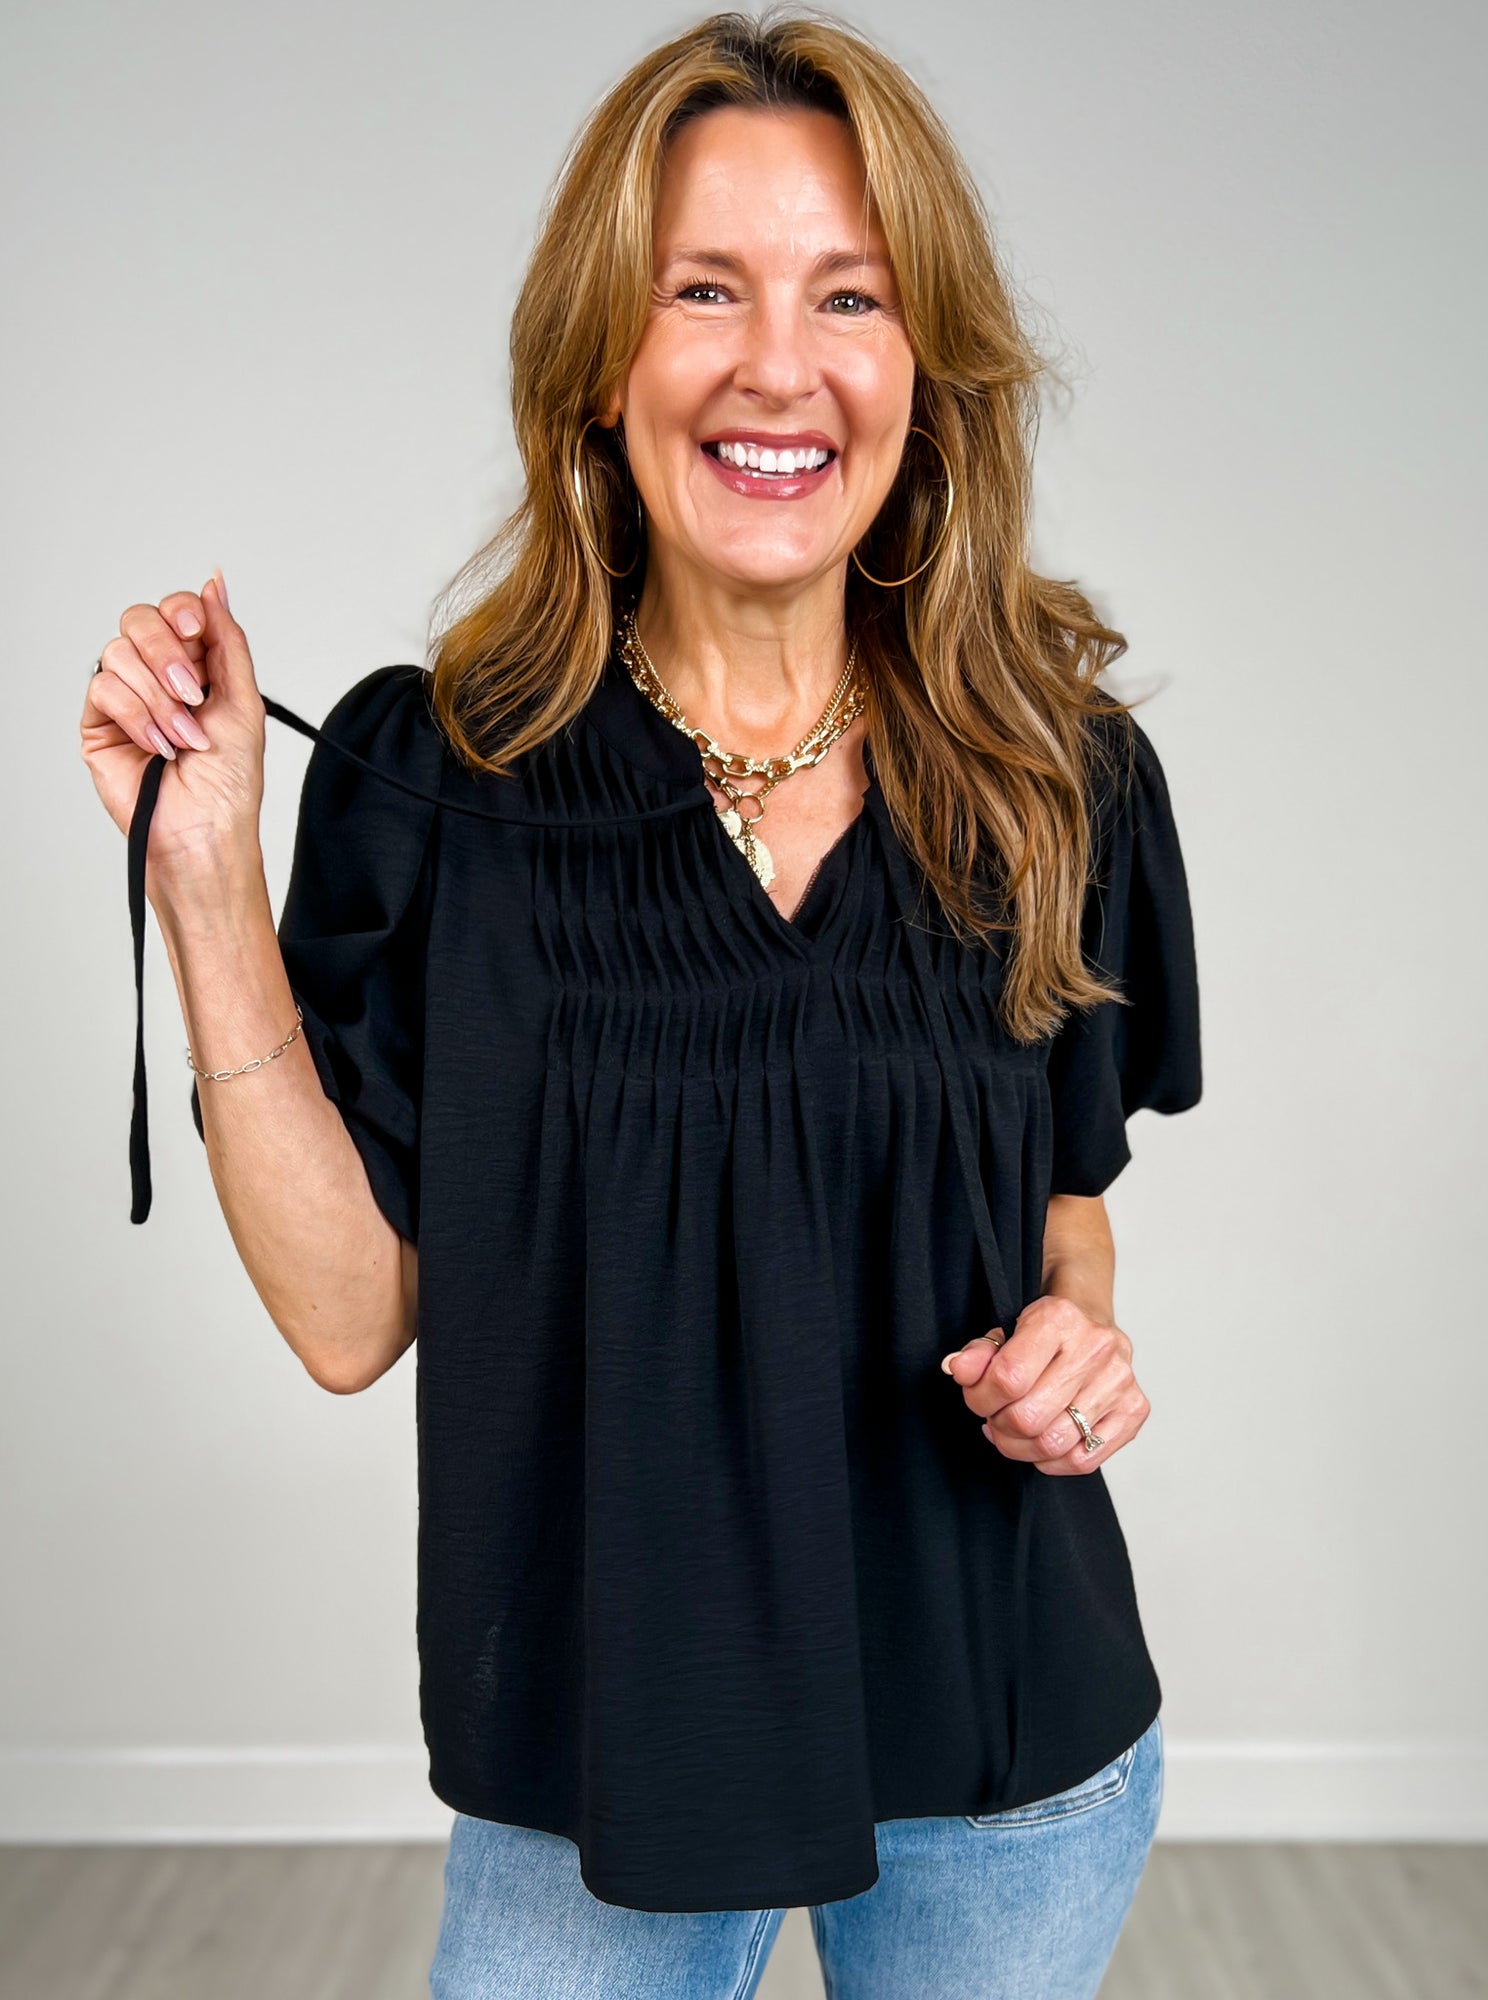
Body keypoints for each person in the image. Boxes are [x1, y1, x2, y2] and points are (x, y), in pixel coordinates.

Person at [81, 10, 1202, 1996]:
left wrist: (1080, 1336)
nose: (780, 364)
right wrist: (206, 880)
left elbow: (1066, 1197)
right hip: (601, 1759)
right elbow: (348, 1319)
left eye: (849, 295)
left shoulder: (1058, 774)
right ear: (604, 365)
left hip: (1004, 1738)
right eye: (706, 289)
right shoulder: (442, 782)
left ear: (923, 369)